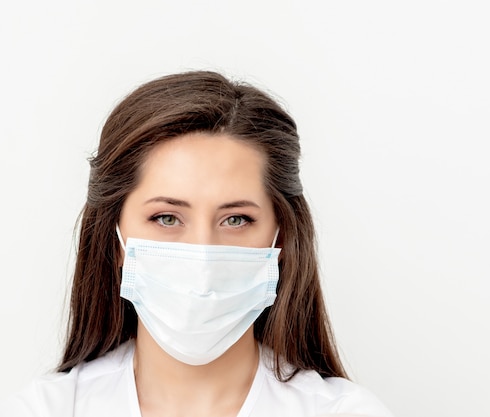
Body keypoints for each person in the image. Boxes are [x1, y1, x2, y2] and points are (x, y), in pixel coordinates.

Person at [0, 70, 393, 417]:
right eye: (166, 218)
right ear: (115, 240)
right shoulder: (46, 410)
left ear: (282, 239)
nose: (202, 256)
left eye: (236, 219)